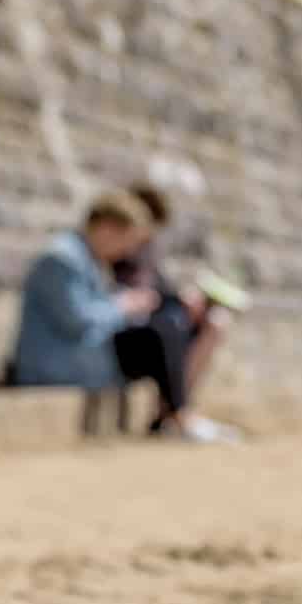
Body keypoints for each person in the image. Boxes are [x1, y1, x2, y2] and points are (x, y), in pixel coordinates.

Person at [113, 183, 240, 439]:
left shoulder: (146, 253)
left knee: (212, 322)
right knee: (170, 328)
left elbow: (158, 292)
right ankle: (179, 414)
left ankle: (172, 412)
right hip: (128, 334)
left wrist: (184, 300)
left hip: (153, 324)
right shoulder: (117, 252)